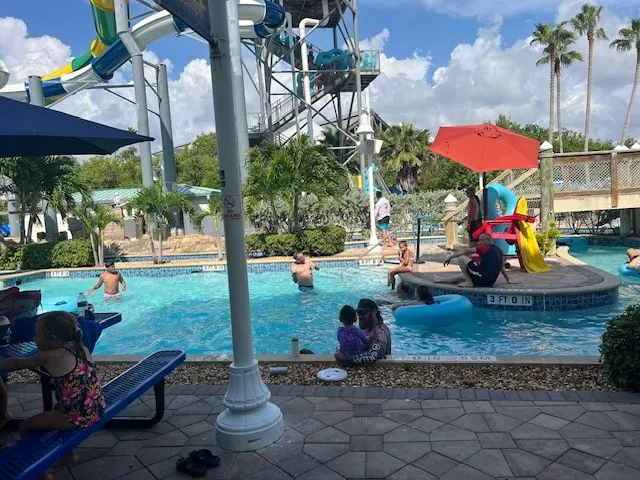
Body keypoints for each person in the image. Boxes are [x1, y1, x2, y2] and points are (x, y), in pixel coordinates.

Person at [0, 311, 105, 475]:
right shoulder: (80, 348)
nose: (34, 339)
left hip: (77, 417)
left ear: (53, 338)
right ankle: (68, 455)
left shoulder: (50, 355)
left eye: (37, 335)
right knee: (57, 408)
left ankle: (39, 472)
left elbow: (16, 363)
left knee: (25, 426)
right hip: (97, 407)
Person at [442, 232, 510, 287]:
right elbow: (502, 267)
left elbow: (465, 251)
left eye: (481, 240)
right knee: (463, 276)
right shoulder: (500, 251)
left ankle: (469, 283)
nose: (479, 242)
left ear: (489, 240)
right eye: (479, 240)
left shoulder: (485, 248)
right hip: (490, 282)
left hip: (482, 280)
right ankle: (440, 280)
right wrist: (508, 280)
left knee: (461, 258)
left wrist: (450, 257)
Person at [335, 299, 391, 365]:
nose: (360, 316)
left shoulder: (380, 331)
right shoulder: (365, 330)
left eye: (363, 312)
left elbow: (372, 356)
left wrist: (345, 359)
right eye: (358, 313)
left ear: (374, 312)